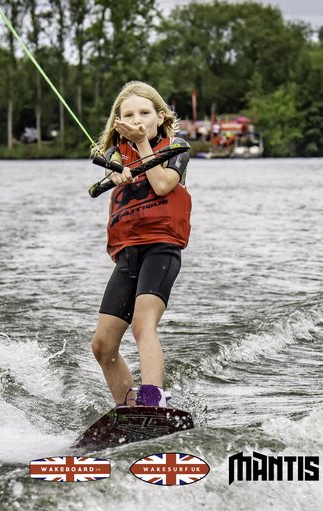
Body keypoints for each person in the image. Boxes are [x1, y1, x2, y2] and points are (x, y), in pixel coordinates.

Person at [90, 81, 191, 408]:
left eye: (145, 113)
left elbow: (162, 185)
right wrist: (116, 172)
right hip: (128, 254)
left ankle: (153, 399)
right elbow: (112, 158)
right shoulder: (116, 153)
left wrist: (144, 145)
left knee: (142, 324)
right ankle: (129, 409)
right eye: (129, 115)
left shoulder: (177, 146)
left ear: (160, 117)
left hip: (161, 248)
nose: (137, 120)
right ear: (118, 122)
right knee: (102, 346)